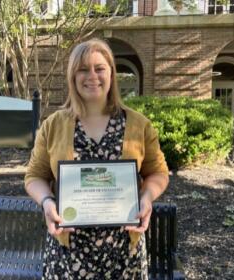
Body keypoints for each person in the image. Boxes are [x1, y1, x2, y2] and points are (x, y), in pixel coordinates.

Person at [25, 38, 169, 280]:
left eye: (99, 68)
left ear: (111, 73)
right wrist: (47, 202)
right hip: (67, 253)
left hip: (124, 252)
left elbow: (159, 172)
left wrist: (147, 196)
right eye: (83, 69)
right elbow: (34, 176)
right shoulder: (54, 125)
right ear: (73, 76)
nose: (92, 76)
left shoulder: (138, 124)